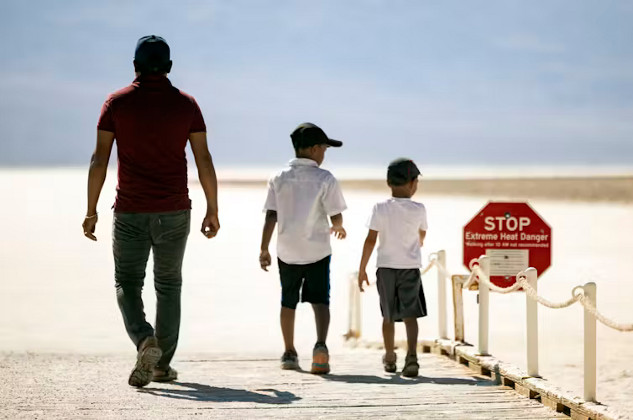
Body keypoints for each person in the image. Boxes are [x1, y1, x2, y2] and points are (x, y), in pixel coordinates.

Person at [81, 35, 220, 387]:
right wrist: (212, 208)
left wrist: (91, 208)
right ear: (170, 67)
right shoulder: (187, 105)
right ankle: (161, 365)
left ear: (135, 66)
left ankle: (145, 340)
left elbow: (100, 159)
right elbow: (203, 159)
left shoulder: (116, 103)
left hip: (129, 209)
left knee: (127, 281)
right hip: (175, 209)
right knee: (169, 285)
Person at [259, 123, 347, 374]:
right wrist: (339, 227)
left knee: (288, 301)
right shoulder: (325, 178)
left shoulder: (278, 178)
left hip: (286, 251)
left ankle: (289, 352)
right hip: (317, 250)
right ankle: (321, 348)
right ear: (315, 148)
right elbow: (335, 214)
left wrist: (264, 248)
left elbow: (271, 216)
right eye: (324, 149)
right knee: (321, 300)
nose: (324, 155)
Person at [357, 158, 428, 377]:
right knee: (410, 315)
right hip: (410, 268)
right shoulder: (419, 209)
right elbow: (422, 235)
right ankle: (412, 358)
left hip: (385, 268)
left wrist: (362, 269)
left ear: (389, 183)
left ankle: (389, 356)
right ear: (413, 183)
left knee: (387, 315)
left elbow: (370, 240)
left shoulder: (379, 208)